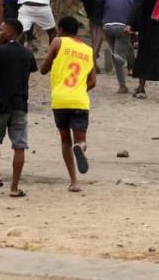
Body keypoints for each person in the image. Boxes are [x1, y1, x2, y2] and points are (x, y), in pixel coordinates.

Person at [40, 16, 96, 193]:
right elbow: (93, 81)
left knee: (65, 140)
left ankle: (74, 182)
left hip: (60, 99)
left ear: (60, 29)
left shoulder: (58, 41)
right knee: (80, 139)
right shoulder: (88, 50)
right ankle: (81, 147)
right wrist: (79, 89)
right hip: (79, 99)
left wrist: (49, 60)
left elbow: (44, 69)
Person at [0, 19, 37, 197]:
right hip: (20, 103)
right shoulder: (27, 53)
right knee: (19, 145)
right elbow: (24, 74)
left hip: (0, 103)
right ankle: (14, 187)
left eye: (1, 30)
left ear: (11, 33)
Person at [96, 0, 135, 93]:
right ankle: (122, 83)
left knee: (127, 47)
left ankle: (129, 70)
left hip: (107, 26)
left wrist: (100, 18)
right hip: (123, 27)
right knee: (118, 57)